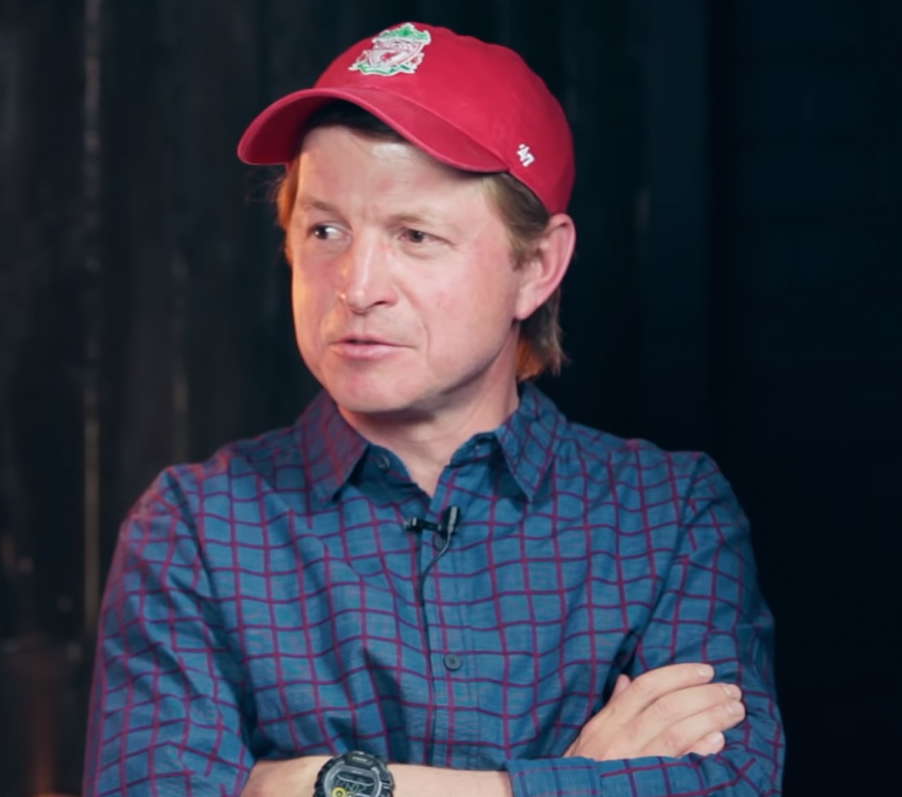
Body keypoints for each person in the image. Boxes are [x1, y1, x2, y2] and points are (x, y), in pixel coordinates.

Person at [84, 21, 784, 797]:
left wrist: (314, 784)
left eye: (414, 235)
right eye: (325, 230)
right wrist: (579, 781)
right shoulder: (195, 529)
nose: (356, 286)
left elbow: (728, 783)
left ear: (537, 264)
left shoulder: (666, 515)